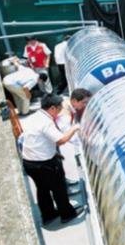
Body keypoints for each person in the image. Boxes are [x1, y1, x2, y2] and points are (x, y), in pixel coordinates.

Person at [21, 94, 84, 225]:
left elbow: (38, 141)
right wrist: (75, 128)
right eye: (60, 107)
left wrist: (53, 153)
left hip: (29, 162)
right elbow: (61, 140)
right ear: (52, 108)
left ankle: (48, 215)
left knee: (42, 189)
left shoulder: (34, 117)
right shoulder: (46, 122)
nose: (62, 110)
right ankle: (67, 214)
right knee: (59, 188)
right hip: (44, 164)